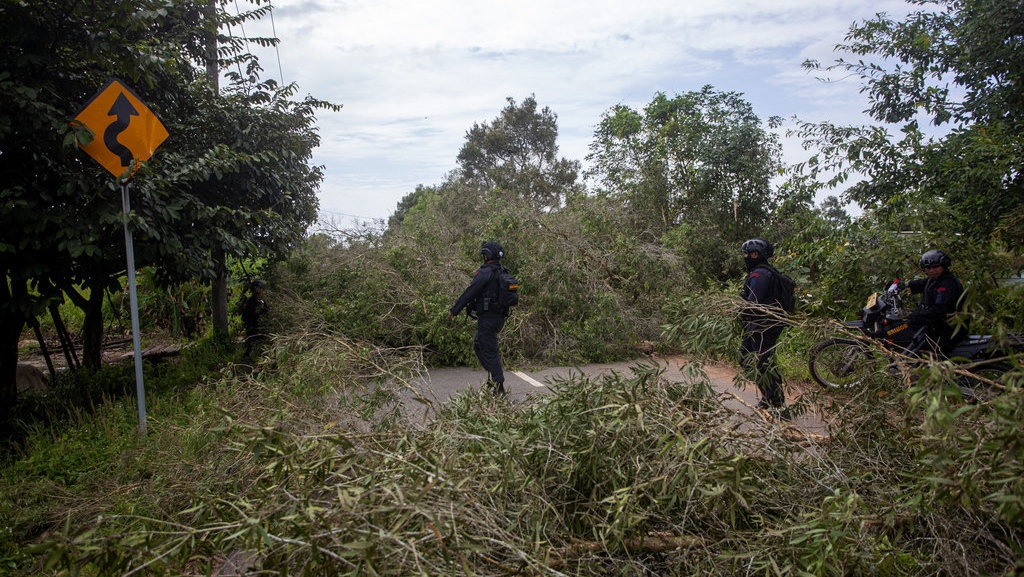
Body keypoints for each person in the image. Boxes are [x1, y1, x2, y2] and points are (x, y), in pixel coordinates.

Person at [449, 241, 510, 396]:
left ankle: (499, 387)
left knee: (489, 350)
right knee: (479, 345)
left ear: (487, 255)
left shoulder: (485, 273)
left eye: (484, 253)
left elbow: (470, 292)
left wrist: (454, 310)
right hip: (499, 317)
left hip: (489, 318)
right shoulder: (503, 271)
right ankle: (494, 379)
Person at [739, 238, 788, 417]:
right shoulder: (766, 272)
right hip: (759, 325)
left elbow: (754, 302)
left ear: (755, 254)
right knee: (746, 357)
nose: (745, 257)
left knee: (764, 363)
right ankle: (769, 397)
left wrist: (740, 309)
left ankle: (778, 405)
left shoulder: (760, 274)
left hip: (764, 326)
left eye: (747, 254)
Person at [905, 249, 966, 356]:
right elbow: (922, 284)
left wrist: (914, 316)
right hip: (938, 326)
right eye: (928, 268)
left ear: (943, 266)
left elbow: (939, 311)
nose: (932, 270)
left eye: (936, 267)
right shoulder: (935, 279)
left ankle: (937, 371)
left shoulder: (948, 284)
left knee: (925, 350)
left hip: (949, 330)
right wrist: (904, 285)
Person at [241, 278, 269, 358]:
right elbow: (247, 314)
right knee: (251, 343)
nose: (264, 291)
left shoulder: (261, 300)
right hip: (252, 326)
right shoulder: (251, 301)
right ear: (257, 289)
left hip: (259, 325)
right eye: (262, 289)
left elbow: (266, 312)